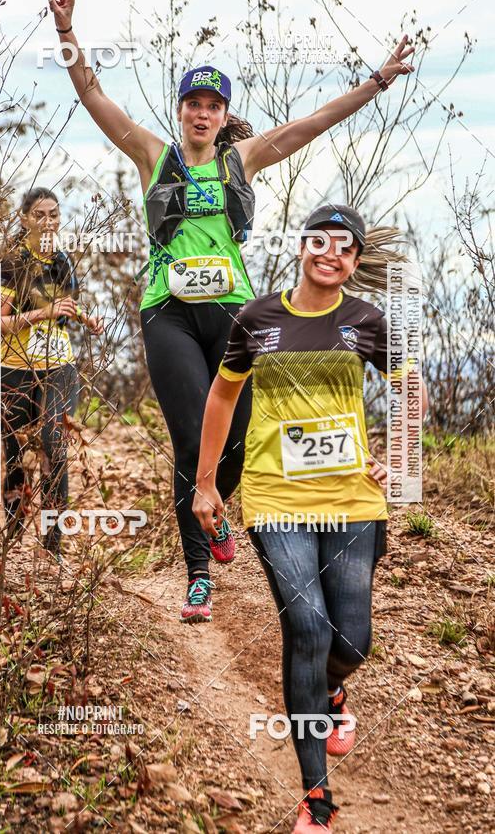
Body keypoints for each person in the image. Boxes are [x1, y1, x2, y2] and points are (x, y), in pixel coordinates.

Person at [48, 0, 415, 620]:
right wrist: (68, 30)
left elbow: (317, 120)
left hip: (235, 315)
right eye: (194, 103)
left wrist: (378, 80)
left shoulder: (243, 159)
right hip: (167, 311)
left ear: (223, 117)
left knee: (238, 436)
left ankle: (217, 505)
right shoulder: (152, 156)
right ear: (182, 110)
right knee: (193, 437)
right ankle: (198, 573)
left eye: (213, 106)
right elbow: (94, 95)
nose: (203, 113)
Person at [193, 205, 428, 830]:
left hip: (352, 499)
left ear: (354, 260)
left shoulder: (366, 320)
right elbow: (222, 394)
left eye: (345, 248)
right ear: (302, 246)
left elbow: (412, 388)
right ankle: (316, 798)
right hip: (277, 497)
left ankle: (331, 690)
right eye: (320, 241)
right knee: (308, 627)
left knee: (351, 639)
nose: (331, 254)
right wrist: (206, 483)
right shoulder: (257, 318)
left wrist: (399, 457)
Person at [0, 187, 103, 556]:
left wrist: (88, 319)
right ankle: (11, 532)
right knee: (13, 452)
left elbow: (65, 309)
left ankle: (52, 544)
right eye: (39, 215)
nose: (47, 222)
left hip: (59, 365)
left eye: (54, 215)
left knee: (54, 447)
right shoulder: (12, 262)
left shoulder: (63, 259)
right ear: (24, 218)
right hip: (14, 369)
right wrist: (42, 313)